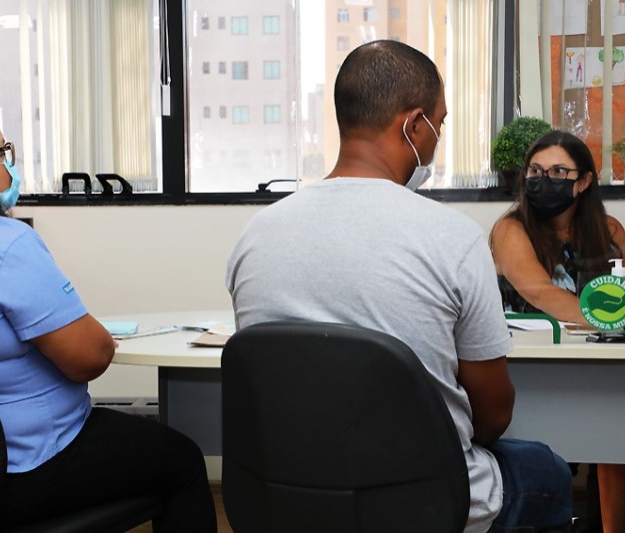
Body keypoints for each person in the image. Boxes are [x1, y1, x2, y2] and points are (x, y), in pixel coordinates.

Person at [226, 40, 572, 533]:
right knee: (547, 471)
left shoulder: (255, 236)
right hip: (425, 504)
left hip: (290, 499)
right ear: (413, 126)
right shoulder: (452, 237)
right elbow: (493, 414)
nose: (436, 139)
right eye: (440, 123)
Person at [0, 92, 217, 532]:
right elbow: (89, 359)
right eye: (0, 153)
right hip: (19, 467)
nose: (7, 165)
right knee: (184, 461)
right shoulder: (5, 245)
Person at [490, 130, 625, 533]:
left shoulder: (609, 230)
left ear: (582, 182)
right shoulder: (511, 229)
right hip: (531, 369)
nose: (544, 180)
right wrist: (617, 315)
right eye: (535, 170)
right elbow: (540, 293)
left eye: (559, 171)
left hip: (601, 363)